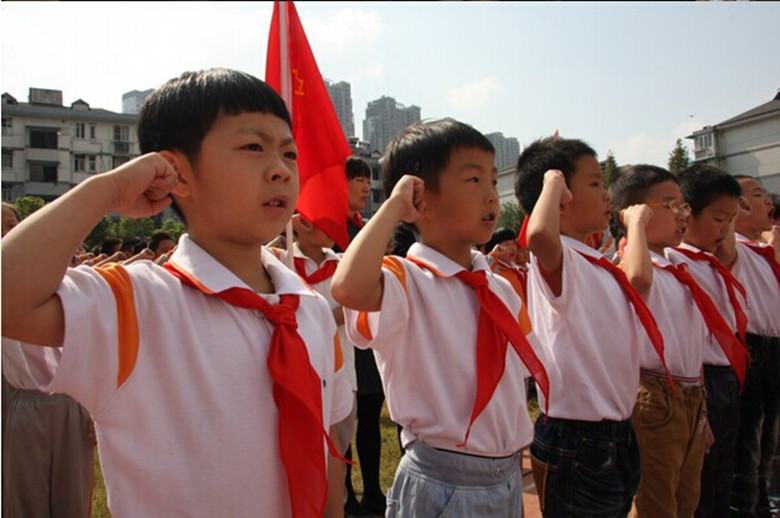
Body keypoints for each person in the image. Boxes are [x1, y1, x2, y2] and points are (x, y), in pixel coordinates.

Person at [1, 67, 352, 517]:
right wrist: (105, 191)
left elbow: (325, 445)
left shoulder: (309, 309)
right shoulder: (136, 304)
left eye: (289, 152)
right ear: (178, 175)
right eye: (253, 147)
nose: (281, 170)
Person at [332, 118, 549, 517]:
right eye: (473, 180)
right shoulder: (405, 281)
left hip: (506, 477)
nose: (491, 195)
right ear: (420, 200)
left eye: (491, 180)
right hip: (442, 482)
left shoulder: (498, 288)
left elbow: (525, 369)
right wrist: (393, 206)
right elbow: (348, 288)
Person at [515, 137, 671, 517]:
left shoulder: (597, 265)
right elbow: (539, 235)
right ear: (561, 198)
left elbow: (638, 281)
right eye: (595, 183)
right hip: (579, 438)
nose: (607, 195)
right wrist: (552, 180)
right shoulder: (561, 259)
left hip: (617, 432)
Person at [610, 165, 743, 517]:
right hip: (656, 396)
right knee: (658, 503)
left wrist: (701, 413)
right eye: (671, 205)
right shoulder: (635, 264)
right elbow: (637, 279)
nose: (683, 214)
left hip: (691, 394)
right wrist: (635, 228)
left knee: (687, 499)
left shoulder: (675, 267)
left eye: (684, 205)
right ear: (636, 212)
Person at [2, 201, 96, 518]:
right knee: (24, 499)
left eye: (12, 225)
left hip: (72, 400)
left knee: (72, 499)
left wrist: (94, 406)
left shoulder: (60, 278)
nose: (7, 234)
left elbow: (87, 344)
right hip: (25, 403)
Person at [665, 164, 749, 518]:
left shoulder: (712, 262)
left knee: (723, 475)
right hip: (701, 380)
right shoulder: (673, 261)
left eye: (731, 220)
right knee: (699, 482)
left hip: (727, 377)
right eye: (718, 219)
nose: (725, 229)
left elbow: (728, 249)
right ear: (688, 213)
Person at [269, 213, 360, 516]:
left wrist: (319, 318)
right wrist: (284, 227)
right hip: (293, 375)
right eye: (324, 219)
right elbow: (249, 254)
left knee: (335, 456)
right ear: (302, 223)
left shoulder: (343, 263)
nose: (335, 228)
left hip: (340, 373)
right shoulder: (279, 263)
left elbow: (355, 301)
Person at [335, 155, 388, 517]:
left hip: (367, 335)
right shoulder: (325, 229)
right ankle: (346, 496)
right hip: (339, 339)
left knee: (369, 416)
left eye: (369, 181)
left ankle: (372, 491)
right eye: (358, 180)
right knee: (342, 416)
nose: (366, 187)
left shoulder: (364, 229)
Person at [727, 176, 780, 518]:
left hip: (773, 348)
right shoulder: (731, 246)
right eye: (756, 195)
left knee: (768, 441)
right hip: (751, 348)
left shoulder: (760, 250)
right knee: (748, 442)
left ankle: (762, 503)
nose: (767, 201)